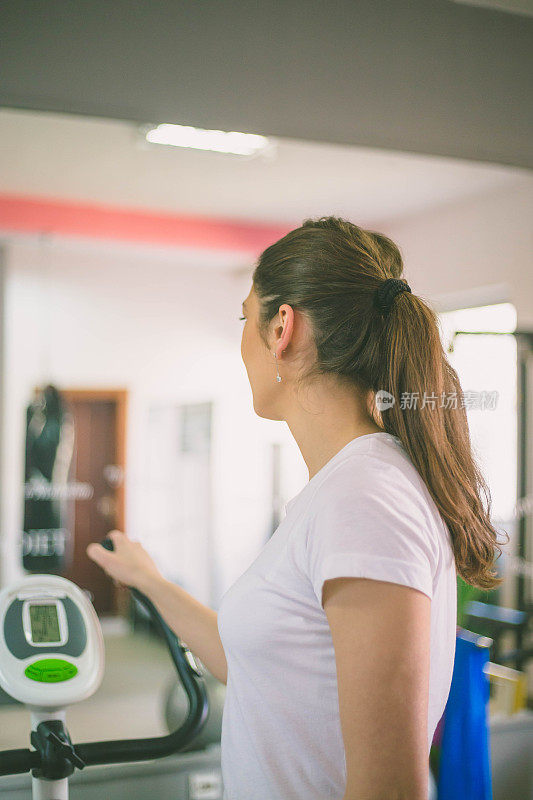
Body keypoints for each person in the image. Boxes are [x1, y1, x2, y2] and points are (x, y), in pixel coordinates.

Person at [87, 216, 504, 800]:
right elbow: (259, 671)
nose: (241, 340)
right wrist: (148, 581)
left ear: (282, 326)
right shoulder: (347, 490)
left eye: (244, 317)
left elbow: (389, 788)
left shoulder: (364, 498)